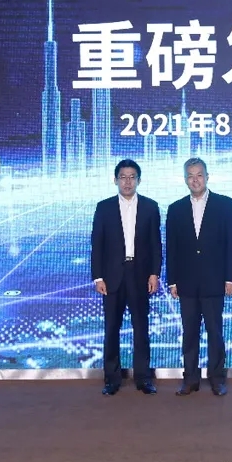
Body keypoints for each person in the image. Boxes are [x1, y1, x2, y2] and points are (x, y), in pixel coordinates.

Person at [166, 157, 232, 396]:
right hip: (186, 283)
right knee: (189, 333)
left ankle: (217, 378)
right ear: (185, 179)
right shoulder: (175, 209)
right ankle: (190, 379)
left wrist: (230, 278)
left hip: (215, 280)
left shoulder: (226, 205)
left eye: (199, 175)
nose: (195, 180)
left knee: (214, 332)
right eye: (190, 175)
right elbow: (172, 248)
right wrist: (172, 280)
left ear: (207, 177)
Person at [91, 159, 161, 396]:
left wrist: (154, 273)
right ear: (115, 180)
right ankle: (112, 379)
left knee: (141, 328)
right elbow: (97, 245)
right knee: (111, 328)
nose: (127, 182)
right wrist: (98, 277)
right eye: (123, 177)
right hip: (112, 277)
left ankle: (143, 378)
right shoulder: (104, 208)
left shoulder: (150, 207)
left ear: (139, 180)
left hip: (140, 275)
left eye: (132, 177)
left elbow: (155, 244)